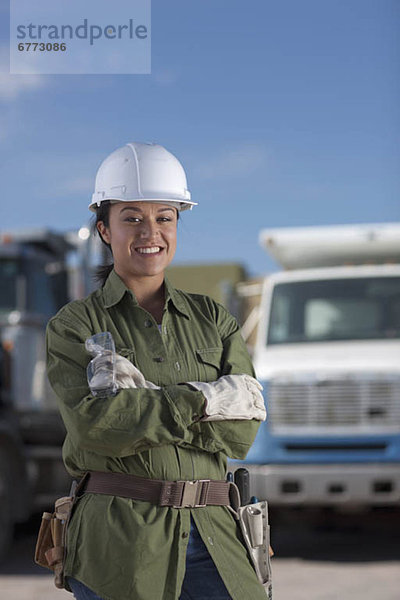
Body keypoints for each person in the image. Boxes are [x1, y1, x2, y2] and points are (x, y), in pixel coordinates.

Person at [46, 142, 267, 600]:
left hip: (216, 538)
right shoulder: (75, 326)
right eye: (132, 217)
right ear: (105, 230)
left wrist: (141, 404)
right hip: (120, 544)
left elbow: (242, 429)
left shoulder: (214, 319)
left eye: (164, 217)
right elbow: (95, 429)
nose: (151, 231)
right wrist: (205, 399)